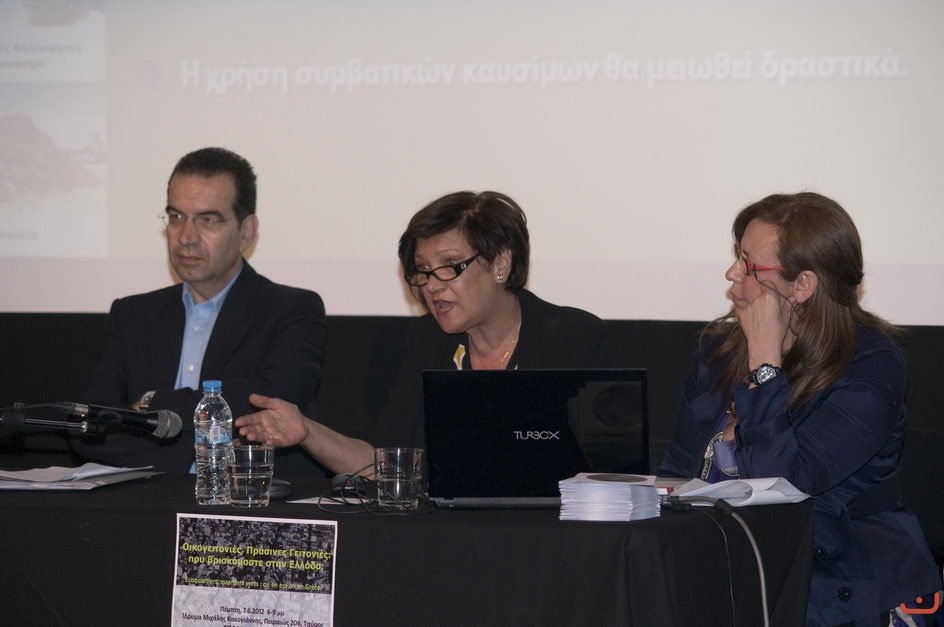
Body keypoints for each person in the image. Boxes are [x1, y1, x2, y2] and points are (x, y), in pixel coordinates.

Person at [657, 192, 942, 626]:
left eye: (750, 265)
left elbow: (781, 487)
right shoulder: (718, 351)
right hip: (730, 574)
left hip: (835, 590)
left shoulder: (871, 366)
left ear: (802, 285)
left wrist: (764, 365)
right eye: (736, 256)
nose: (732, 272)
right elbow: (677, 472)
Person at [235, 190, 616, 475]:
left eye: (450, 265)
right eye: (422, 270)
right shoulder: (426, 342)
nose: (432, 284)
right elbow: (384, 464)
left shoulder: (574, 339)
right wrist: (306, 432)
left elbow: (606, 471)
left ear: (501, 263)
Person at [73, 147, 327, 473]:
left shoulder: (290, 310)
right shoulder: (133, 314)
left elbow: (271, 408)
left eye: (207, 220)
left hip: (248, 495)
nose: (186, 238)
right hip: (143, 495)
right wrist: (198, 449)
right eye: (176, 217)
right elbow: (87, 428)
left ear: (246, 232)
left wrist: (151, 405)